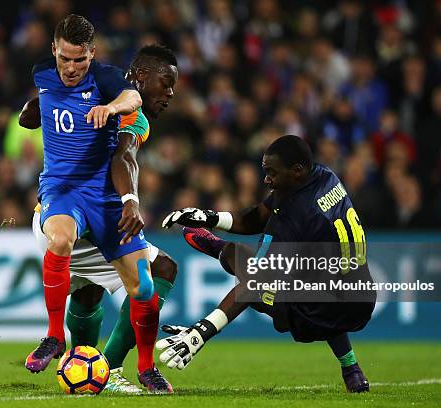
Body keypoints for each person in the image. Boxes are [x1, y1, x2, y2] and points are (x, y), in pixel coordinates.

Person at [22, 15, 172, 393]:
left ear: (92, 55)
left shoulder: (115, 92)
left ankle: (143, 366)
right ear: (55, 51)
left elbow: (130, 102)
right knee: (63, 241)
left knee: (144, 288)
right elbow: (122, 156)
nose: (169, 94)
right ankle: (59, 338)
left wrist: (113, 107)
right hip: (64, 195)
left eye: (79, 60)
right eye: (166, 83)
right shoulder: (46, 73)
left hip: (104, 204)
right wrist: (35, 108)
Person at [159, 135, 375, 393]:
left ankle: (219, 248)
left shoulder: (295, 215)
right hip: (362, 297)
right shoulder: (324, 176)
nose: (266, 179)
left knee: (244, 264)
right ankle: (351, 369)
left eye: (272, 172)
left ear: (296, 171)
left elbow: (255, 280)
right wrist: (209, 216)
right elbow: (258, 216)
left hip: (317, 314)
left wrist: (202, 331)